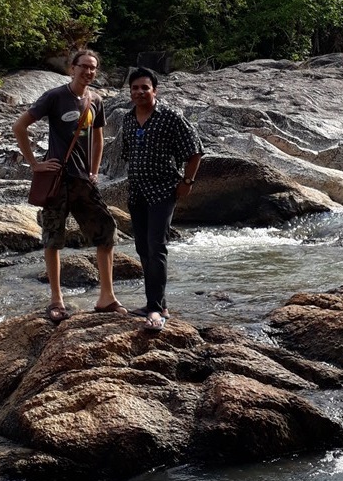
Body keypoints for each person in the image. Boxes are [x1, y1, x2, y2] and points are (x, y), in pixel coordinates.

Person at [13, 49, 124, 322]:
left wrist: (95, 171)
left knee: (106, 231)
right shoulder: (54, 96)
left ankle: (106, 297)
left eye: (93, 68)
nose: (89, 72)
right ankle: (56, 300)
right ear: (71, 68)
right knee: (53, 238)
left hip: (83, 181)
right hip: (57, 179)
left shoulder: (95, 100)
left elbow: (98, 138)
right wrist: (35, 164)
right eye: (84, 66)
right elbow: (19, 126)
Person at [121, 67, 204, 331]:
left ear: (154, 90)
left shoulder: (170, 117)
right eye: (135, 88)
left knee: (156, 246)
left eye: (144, 88)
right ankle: (157, 303)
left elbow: (195, 150)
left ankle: (156, 311)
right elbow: (127, 153)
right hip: (137, 192)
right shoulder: (128, 119)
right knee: (143, 249)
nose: (139, 92)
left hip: (163, 191)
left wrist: (187, 182)